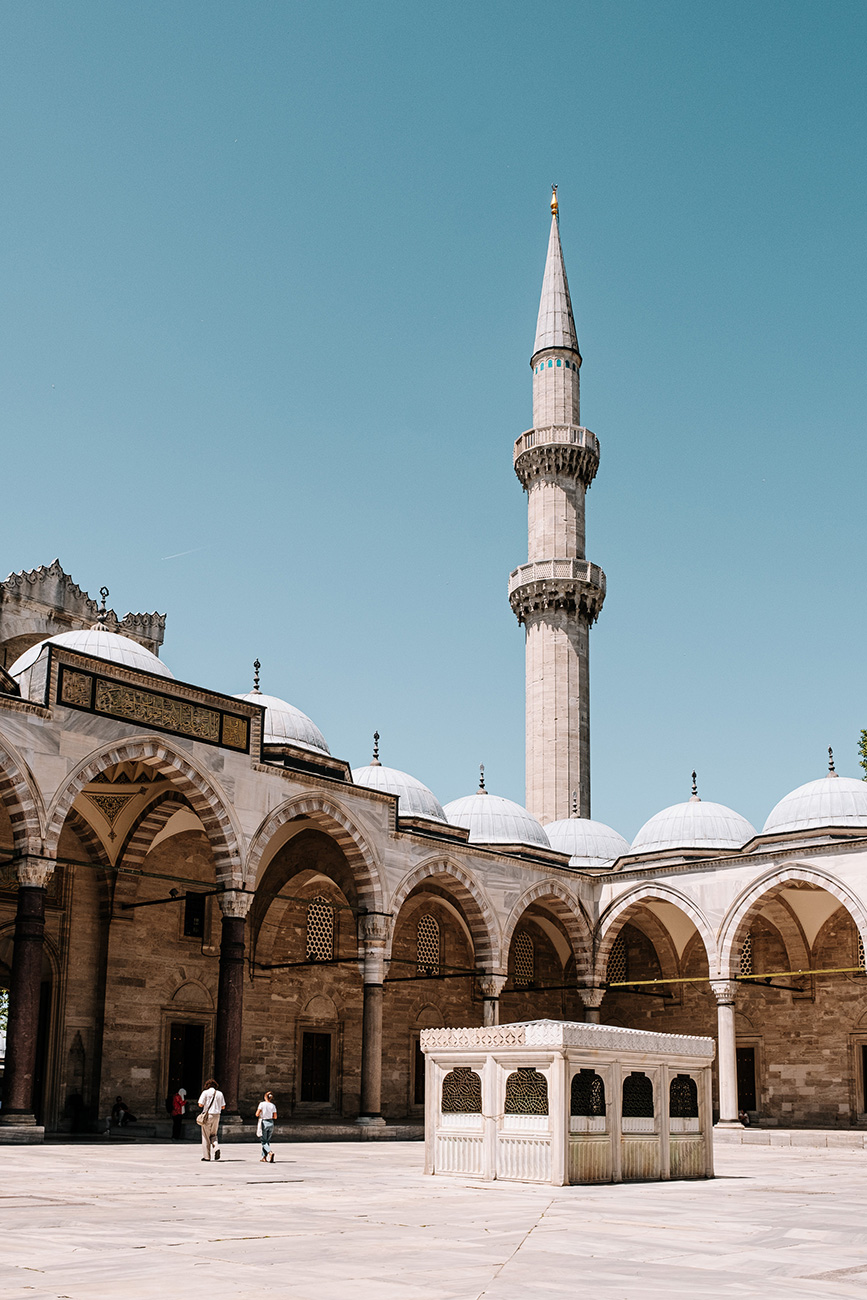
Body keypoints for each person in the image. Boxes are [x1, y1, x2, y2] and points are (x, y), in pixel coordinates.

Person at [197, 1078, 225, 1160]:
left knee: (205, 1136)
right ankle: (216, 1147)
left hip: (208, 1115)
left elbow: (200, 1105)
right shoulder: (220, 1093)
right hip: (217, 1115)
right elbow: (223, 1106)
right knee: (214, 1134)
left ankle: (207, 1156)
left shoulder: (205, 1093)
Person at [256, 1091, 277, 1163]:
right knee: (267, 1140)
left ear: (265, 1097)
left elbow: (257, 1113)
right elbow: (275, 1116)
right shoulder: (273, 1105)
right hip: (271, 1122)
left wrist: (261, 1113)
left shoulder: (262, 1104)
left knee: (263, 1141)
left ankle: (270, 1152)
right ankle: (264, 1157)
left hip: (264, 1122)